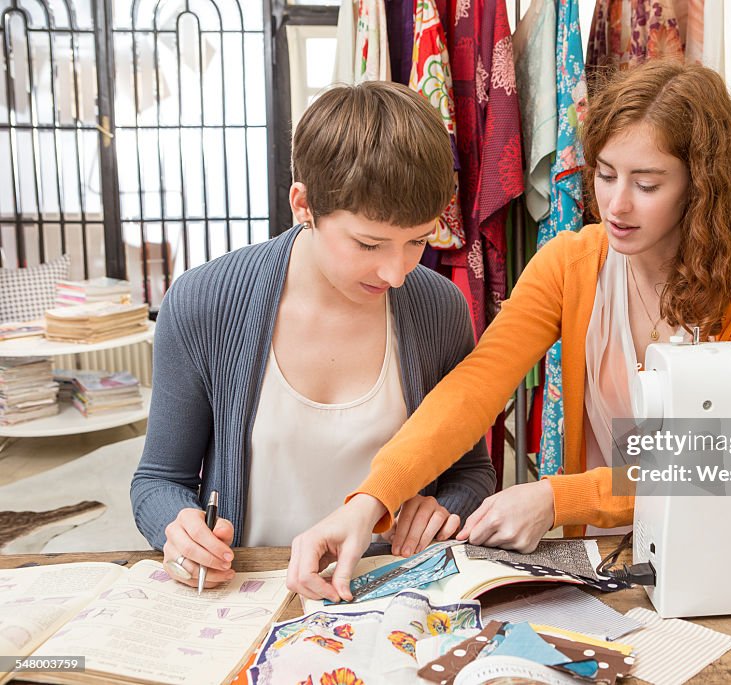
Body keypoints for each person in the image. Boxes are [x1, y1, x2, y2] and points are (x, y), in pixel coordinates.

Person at [286, 59, 731, 600]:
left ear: (701, 187)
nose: (616, 204)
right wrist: (373, 499)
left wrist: (560, 498)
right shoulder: (571, 263)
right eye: (604, 175)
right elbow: (475, 387)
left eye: (646, 185)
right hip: (610, 562)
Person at [130, 81, 495, 595]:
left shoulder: (438, 307)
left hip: (389, 592)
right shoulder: (203, 302)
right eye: (369, 243)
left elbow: (473, 471)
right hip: (247, 595)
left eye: (418, 240)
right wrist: (180, 530)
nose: (396, 272)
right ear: (303, 204)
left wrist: (442, 508)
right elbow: (157, 481)